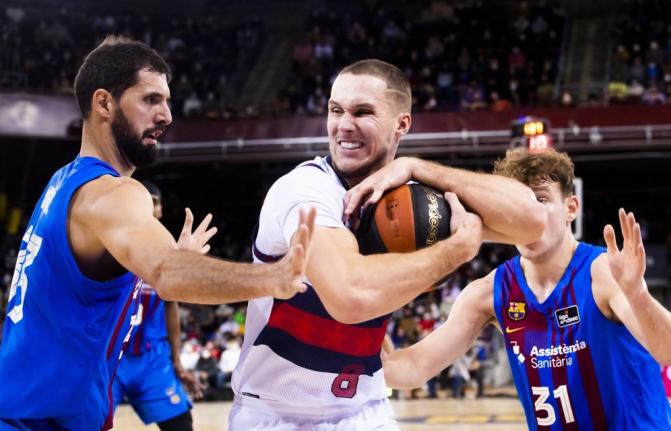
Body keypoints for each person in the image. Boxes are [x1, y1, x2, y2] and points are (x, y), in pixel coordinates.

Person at [0, 36, 315, 431]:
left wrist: (169, 256)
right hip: (39, 420)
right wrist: (274, 277)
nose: (166, 115)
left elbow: (116, 273)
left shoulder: (63, 182)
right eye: (151, 100)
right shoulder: (113, 192)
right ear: (104, 103)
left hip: (26, 407)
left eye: (166, 101)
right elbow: (169, 277)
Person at [228, 59, 547, 430]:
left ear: (402, 124)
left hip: (365, 411)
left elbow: (532, 221)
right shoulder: (305, 191)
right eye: (336, 110)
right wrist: (456, 249)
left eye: (363, 112)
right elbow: (351, 295)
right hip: (279, 416)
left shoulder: (408, 198)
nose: (344, 125)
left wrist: (418, 168)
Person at [377, 148, 671, 430]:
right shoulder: (487, 293)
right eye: (518, 205)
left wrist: (637, 293)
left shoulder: (602, 272)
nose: (530, 216)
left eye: (540, 199)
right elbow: (408, 371)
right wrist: (365, 300)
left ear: (571, 208)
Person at [111, 181, 203, 431]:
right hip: (110, 359)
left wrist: (177, 361)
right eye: (142, 199)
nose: (148, 205)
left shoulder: (168, 253)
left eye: (154, 200)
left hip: (153, 359)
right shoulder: (109, 244)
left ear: (160, 210)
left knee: (181, 425)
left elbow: (171, 307)